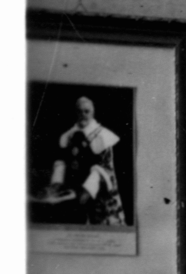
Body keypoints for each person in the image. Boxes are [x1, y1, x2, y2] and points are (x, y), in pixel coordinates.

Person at [47, 96, 128, 225]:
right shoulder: (68, 135)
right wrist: (56, 184)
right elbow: (61, 161)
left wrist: (88, 190)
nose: (83, 115)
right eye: (80, 111)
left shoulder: (102, 135)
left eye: (87, 111)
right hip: (74, 189)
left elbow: (105, 167)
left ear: (93, 112)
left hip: (97, 191)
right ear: (75, 112)